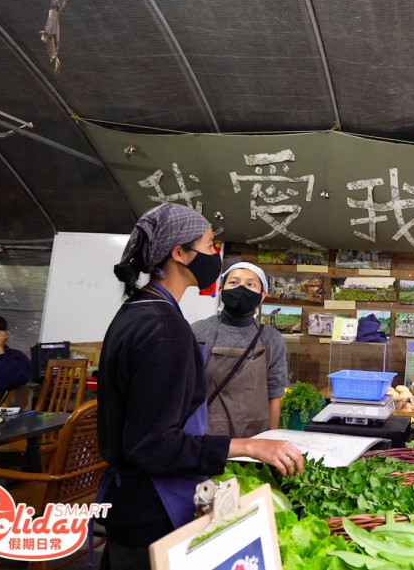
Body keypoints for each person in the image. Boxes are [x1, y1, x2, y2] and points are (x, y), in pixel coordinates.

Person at [97, 203, 303, 570]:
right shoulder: (166, 331)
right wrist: (250, 446)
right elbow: (153, 445)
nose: (215, 256)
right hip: (152, 511)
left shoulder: (140, 312)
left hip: (134, 503)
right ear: (179, 253)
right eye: (209, 245)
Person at [191, 262, 289, 437]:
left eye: (250, 284)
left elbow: (274, 394)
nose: (241, 289)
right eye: (233, 283)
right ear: (221, 290)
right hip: (204, 438)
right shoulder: (198, 331)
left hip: (255, 438)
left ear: (262, 295)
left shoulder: (271, 339)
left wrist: (270, 440)